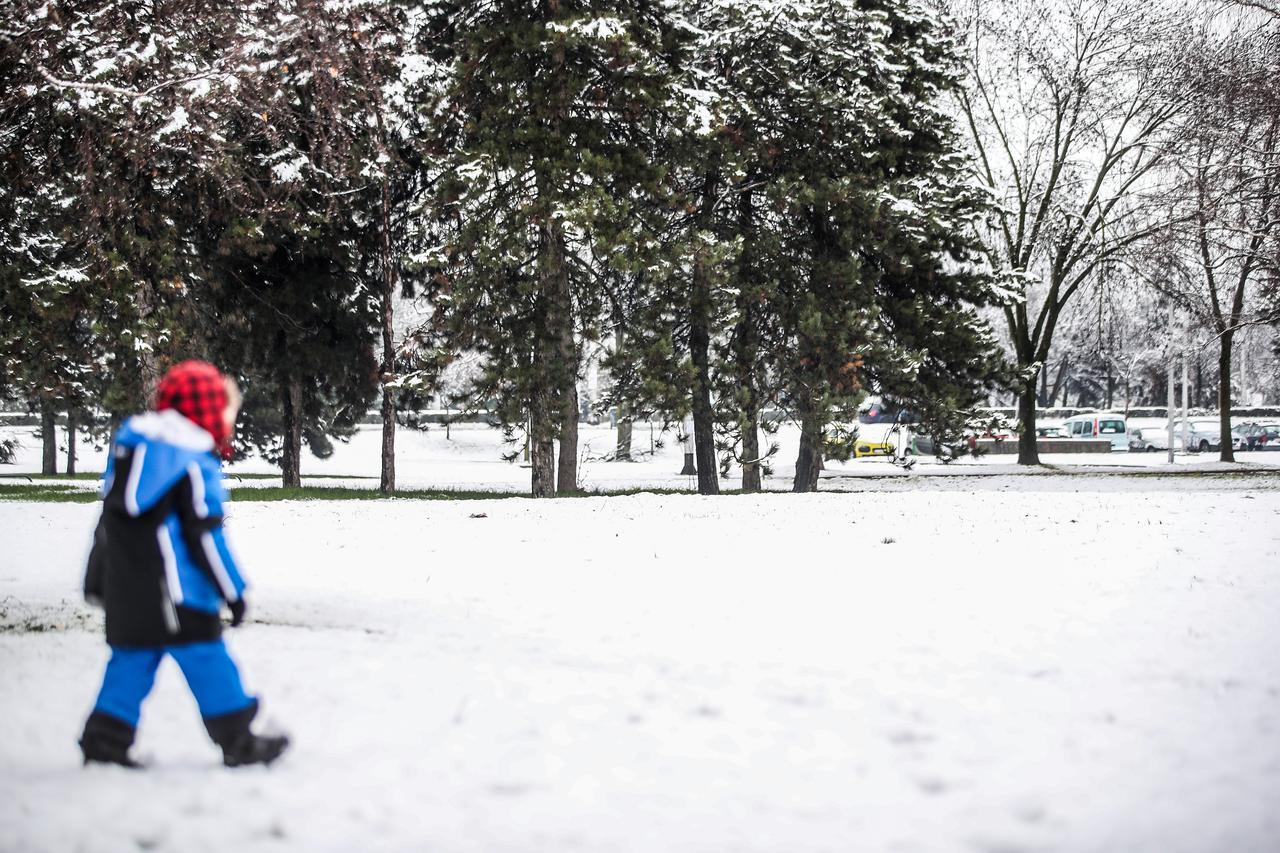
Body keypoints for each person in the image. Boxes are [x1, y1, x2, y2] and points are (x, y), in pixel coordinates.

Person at [78, 360, 288, 768]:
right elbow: (206, 535)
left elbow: (110, 522)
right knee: (208, 657)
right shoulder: (193, 462)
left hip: (129, 590)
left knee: (132, 660)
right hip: (179, 592)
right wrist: (235, 591)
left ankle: (105, 742)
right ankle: (238, 739)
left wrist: (98, 577)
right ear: (207, 409)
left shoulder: (130, 449)